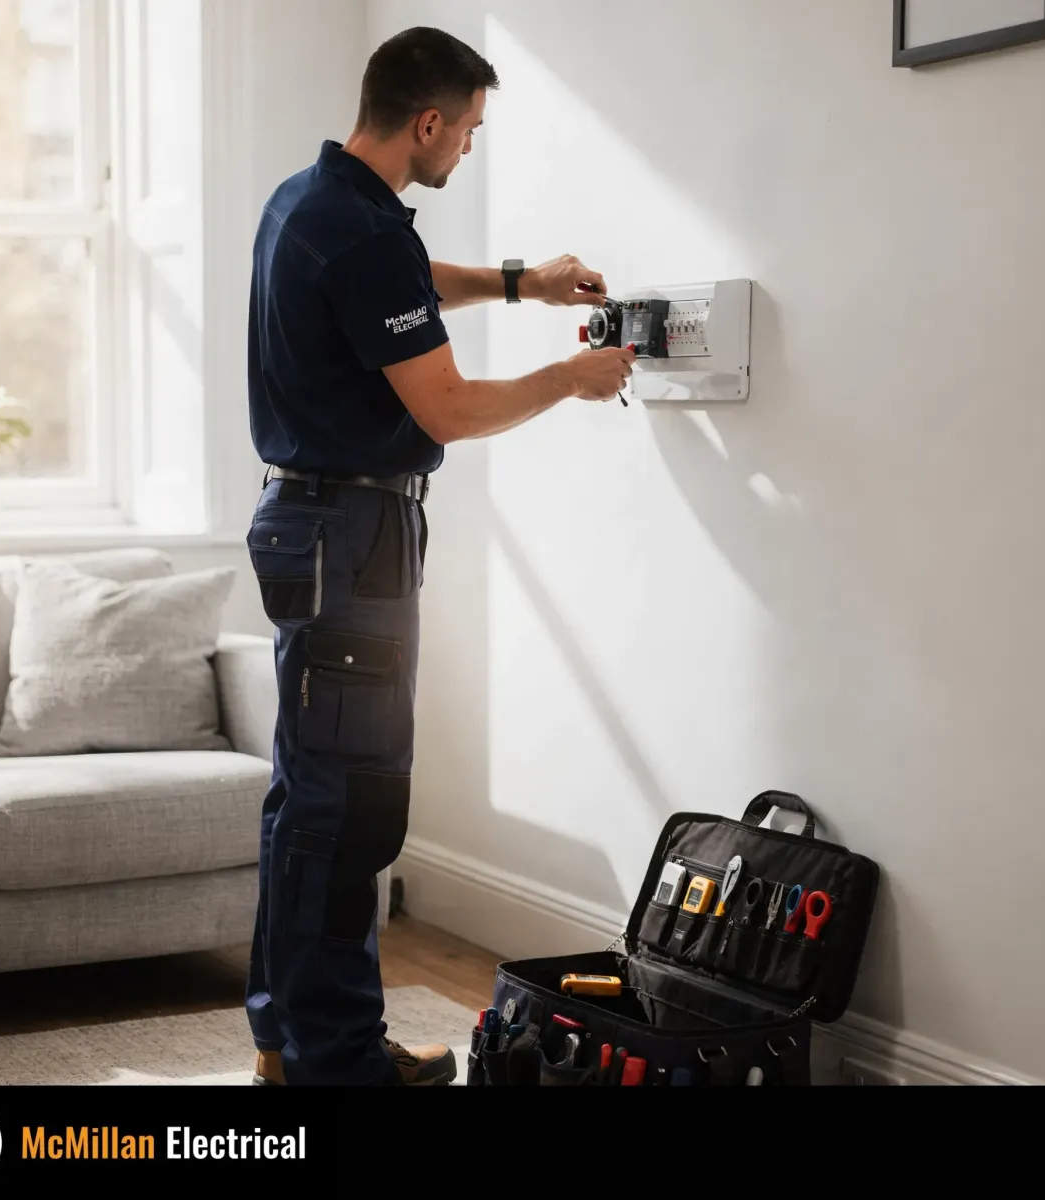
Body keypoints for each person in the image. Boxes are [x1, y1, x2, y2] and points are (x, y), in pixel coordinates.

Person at [244, 25, 636, 1087]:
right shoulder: (364, 234)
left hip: (306, 523)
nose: (466, 148)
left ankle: (287, 1039)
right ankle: (337, 1060)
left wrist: (523, 281)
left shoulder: (312, 203)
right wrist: (571, 378)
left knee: (307, 801)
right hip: (353, 536)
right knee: (352, 809)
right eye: (465, 130)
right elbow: (450, 408)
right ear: (426, 121)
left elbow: (402, 287)